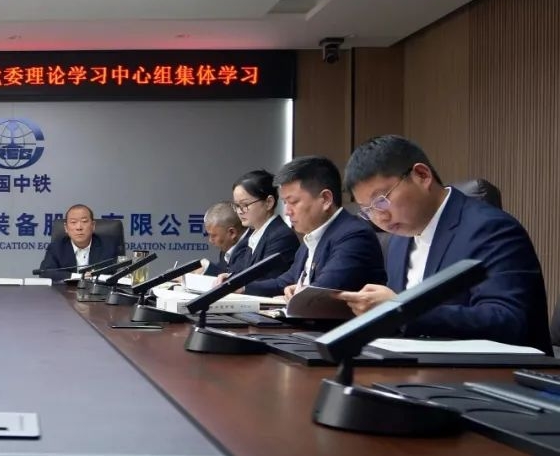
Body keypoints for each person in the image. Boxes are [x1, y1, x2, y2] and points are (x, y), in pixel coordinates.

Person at [336, 135, 551, 353]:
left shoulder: (490, 228)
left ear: (422, 175)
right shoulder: (398, 242)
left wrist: (403, 310)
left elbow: (508, 320)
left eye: (381, 200)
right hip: (417, 366)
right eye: (368, 210)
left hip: (495, 370)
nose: (379, 217)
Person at [243, 156, 385, 297]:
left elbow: (323, 290)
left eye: (293, 202)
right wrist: (242, 287)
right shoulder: (312, 236)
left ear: (326, 199)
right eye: (285, 203)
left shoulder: (354, 236)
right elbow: (284, 282)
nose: (287, 211)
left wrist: (298, 292)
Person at [225, 170, 300, 280]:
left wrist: (235, 282)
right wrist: (229, 277)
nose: (240, 211)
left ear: (269, 203)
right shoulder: (252, 234)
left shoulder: (281, 237)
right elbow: (243, 273)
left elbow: (265, 281)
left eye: (245, 204)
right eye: (237, 205)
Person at [38, 204, 119, 282]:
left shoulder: (109, 247)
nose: (79, 227)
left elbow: (118, 274)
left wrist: (94, 277)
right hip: (66, 291)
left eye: (84, 221)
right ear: (66, 228)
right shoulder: (56, 248)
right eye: (73, 222)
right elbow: (45, 273)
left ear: (93, 225)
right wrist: (79, 277)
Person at [201, 201, 246, 276]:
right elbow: (221, 272)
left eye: (213, 235)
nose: (210, 240)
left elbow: (235, 278)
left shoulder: (251, 251)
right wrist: (204, 269)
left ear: (232, 233)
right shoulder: (225, 251)